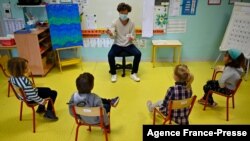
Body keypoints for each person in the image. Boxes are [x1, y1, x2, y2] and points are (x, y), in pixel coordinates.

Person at [107, 2, 141, 83]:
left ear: (128, 12)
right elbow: (113, 36)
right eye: (121, 13)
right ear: (119, 12)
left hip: (128, 44)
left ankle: (134, 73)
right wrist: (111, 34)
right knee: (110, 55)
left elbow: (134, 36)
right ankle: (113, 74)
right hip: (117, 44)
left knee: (138, 53)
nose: (123, 14)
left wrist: (131, 38)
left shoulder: (131, 23)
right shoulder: (114, 22)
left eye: (125, 13)